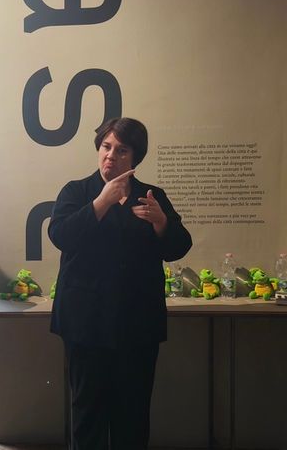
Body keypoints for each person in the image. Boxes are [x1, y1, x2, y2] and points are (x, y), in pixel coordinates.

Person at [48, 117, 192, 449]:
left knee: (133, 414)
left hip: (137, 325)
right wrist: (102, 202)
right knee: (87, 414)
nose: (111, 155)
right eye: (106, 147)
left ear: (135, 157)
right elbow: (60, 235)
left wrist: (161, 222)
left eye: (121, 150)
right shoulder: (76, 191)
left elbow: (179, 246)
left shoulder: (151, 196)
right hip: (86, 324)